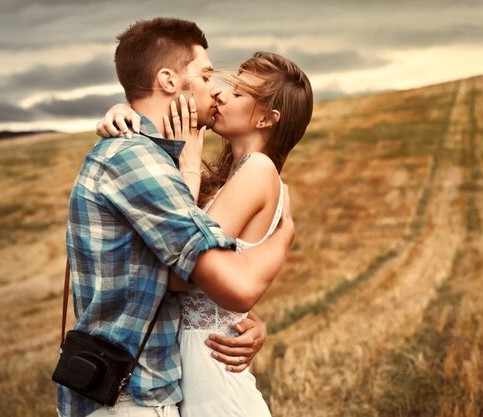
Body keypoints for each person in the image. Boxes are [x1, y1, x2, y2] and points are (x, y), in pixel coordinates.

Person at [57, 18, 296, 417]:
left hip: (159, 382)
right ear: (168, 81)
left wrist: (244, 320)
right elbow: (193, 276)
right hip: (132, 392)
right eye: (206, 75)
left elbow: (173, 273)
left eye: (235, 90)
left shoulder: (154, 158)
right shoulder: (139, 160)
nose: (216, 89)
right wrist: (284, 237)